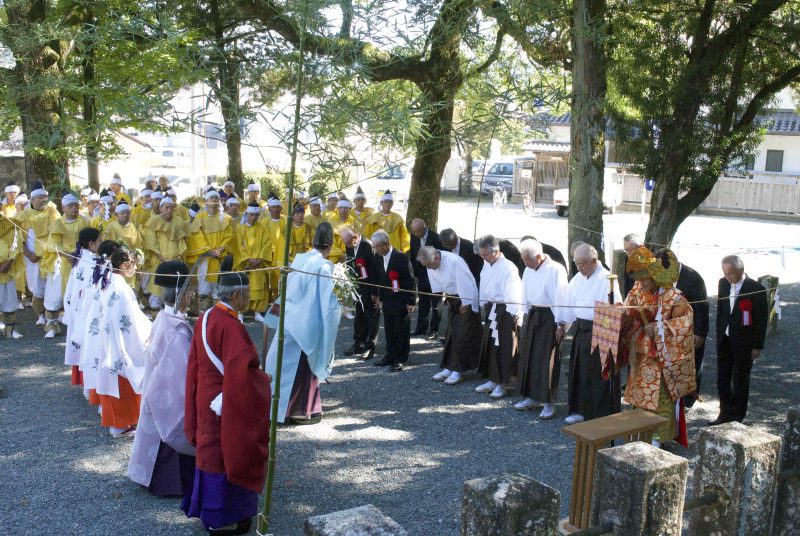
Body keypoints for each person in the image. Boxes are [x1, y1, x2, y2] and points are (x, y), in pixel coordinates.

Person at [183, 258, 271, 535]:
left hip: (206, 397)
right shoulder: (232, 327)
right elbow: (242, 372)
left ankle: (217, 513)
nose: (248, 297)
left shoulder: (207, 316)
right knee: (232, 454)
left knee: (212, 454)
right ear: (236, 295)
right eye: (246, 293)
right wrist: (263, 382)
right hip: (226, 403)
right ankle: (223, 518)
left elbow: (195, 362)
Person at [128, 261, 196, 497]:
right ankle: (171, 483)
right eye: (189, 291)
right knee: (173, 424)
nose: (192, 296)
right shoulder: (176, 330)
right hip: (166, 394)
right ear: (182, 295)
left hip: (155, 390)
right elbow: (178, 374)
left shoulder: (163, 319)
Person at [265, 222, 342, 424]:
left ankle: (292, 408)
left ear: (313, 241)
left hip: (291, 317)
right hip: (308, 320)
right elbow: (327, 302)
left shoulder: (300, 259)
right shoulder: (324, 267)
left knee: (287, 363)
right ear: (331, 245)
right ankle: (299, 410)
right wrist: (338, 310)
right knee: (305, 365)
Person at [622, 247, 696, 446]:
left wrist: (662, 328)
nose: (642, 283)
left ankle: (658, 437)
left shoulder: (675, 297)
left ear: (656, 275)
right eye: (640, 278)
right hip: (641, 354)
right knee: (640, 396)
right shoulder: (637, 289)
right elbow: (627, 309)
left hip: (663, 357)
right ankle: (637, 433)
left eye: (646, 278)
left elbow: (685, 324)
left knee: (660, 397)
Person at [92, 247, 152, 438]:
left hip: (110, 336)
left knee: (115, 377)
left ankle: (119, 423)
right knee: (127, 374)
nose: (135, 268)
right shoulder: (121, 287)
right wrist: (148, 329)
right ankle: (121, 424)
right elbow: (130, 318)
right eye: (134, 264)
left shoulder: (108, 281)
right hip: (120, 338)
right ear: (125, 265)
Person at [562, 243, 622, 424]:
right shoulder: (578, 279)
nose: (579, 268)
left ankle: (601, 414)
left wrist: (605, 334)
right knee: (580, 372)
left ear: (594, 261)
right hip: (582, 330)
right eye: (577, 264)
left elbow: (615, 309)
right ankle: (580, 410)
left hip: (601, 330)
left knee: (598, 374)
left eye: (582, 264)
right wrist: (562, 325)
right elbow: (568, 303)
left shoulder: (607, 279)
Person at [709, 254, 768, 425]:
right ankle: (724, 413)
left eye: (731, 274)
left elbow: (761, 320)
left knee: (740, 379)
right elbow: (721, 309)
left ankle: (737, 416)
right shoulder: (723, 283)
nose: (728, 277)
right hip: (725, 338)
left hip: (744, 341)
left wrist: (757, 346)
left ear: (741, 270)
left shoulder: (755, 288)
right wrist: (719, 333)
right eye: (725, 273)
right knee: (722, 378)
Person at [515, 239, 569, 419]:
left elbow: (561, 297)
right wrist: (522, 313)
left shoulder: (556, 269)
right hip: (534, 315)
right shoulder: (529, 269)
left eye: (527, 260)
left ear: (538, 256)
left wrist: (561, 324)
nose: (524, 263)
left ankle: (548, 402)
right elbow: (524, 292)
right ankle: (531, 396)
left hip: (550, 318)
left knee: (548, 359)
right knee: (530, 355)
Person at [418, 247, 481, 386]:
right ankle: (449, 366)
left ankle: (459, 369)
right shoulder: (431, 263)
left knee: (462, 335)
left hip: (464, 299)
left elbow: (468, 283)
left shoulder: (454, 261)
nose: (429, 269)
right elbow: (437, 282)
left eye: (429, 265)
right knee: (451, 334)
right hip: (452, 299)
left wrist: (466, 302)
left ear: (436, 258)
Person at [655, 249, 708, 408]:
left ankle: (689, 398)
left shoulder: (693, 278)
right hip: (670, 330)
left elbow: (702, 307)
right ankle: (672, 392)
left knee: (692, 363)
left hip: (690, 329)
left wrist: (700, 332)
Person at [474, 235, 523, 399]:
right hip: (492, 307)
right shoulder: (486, 264)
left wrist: (512, 314)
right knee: (491, 345)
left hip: (506, 309)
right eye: (481, 255)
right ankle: (493, 379)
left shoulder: (508, 267)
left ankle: (504, 382)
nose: (483, 258)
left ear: (496, 251)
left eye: (486, 255)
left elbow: (514, 294)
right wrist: (484, 304)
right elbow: (483, 284)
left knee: (505, 346)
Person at [371, 229, 417, 371]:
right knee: (389, 329)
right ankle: (390, 355)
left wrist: (411, 301)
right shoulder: (378, 257)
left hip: (401, 299)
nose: (375, 249)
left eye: (376, 246)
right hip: (388, 299)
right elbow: (381, 280)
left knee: (401, 329)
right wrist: (380, 298)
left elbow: (410, 280)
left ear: (386, 244)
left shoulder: (401, 257)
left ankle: (401, 358)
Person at [18, 184, 61, 334]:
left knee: (52, 285)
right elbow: (19, 239)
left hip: (51, 256)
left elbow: (58, 231)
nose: (43, 199)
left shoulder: (52, 210)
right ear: (33, 199)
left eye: (45, 196)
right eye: (40, 197)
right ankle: (40, 315)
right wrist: (29, 254)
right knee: (37, 287)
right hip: (33, 257)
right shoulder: (24, 215)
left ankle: (52, 315)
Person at [63, 227, 102, 383]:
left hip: (78, 307)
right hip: (86, 308)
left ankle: (87, 384)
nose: (102, 243)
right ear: (91, 244)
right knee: (90, 345)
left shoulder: (81, 259)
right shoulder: (92, 262)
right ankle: (90, 385)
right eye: (100, 240)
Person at [188, 188, 234, 312]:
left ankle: (216, 314)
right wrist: (208, 250)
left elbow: (229, 236)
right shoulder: (200, 217)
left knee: (218, 287)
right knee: (203, 287)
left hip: (220, 257)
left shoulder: (226, 218)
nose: (214, 200)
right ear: (206, 201)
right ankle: (203, 314)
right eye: (211, 198)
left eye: (216, 198)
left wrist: (220, 249)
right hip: (205, 258)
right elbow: (196, 236)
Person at [143, 196, 188, 313]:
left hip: (175, 261)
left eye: (171, 207)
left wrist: (178, 256)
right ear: (161, 208)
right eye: (166, 207)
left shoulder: (178, 221)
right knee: (157, 292)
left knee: (174, 288)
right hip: (159, 260)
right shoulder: (153, 220)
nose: (169, 210)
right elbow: (151, 243)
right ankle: (155, 315)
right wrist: (163, 259)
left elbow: (182, 240)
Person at [340, 226, 380, 359]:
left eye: (347, 242)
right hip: (358, 286)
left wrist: (375, 291)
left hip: (370, 286)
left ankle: (370, 347)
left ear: (355, 237)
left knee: (371, 316)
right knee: (359, 315)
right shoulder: (350, 245)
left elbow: (375, 270)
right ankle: (358, 343)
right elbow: (351, 264)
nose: (346, 245)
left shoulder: (368, 246)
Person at [233, 202, 271, 321]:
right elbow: (238, 246)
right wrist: (248, 259)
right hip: (245, 264)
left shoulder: (262, 228)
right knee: (242, 287)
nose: (254, 217)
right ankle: (240, 312)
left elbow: (267, 244)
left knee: (259, 288)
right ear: (247, 214)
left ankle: (257, 312)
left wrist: (260, 259)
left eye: (256, 215)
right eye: (251, 215)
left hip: (258, 264)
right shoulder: (240, 228)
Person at [409, 218, 443, 337]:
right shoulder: (413, 237)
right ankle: (421, 328)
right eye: (413, 232)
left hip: (436, 274)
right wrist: (415, 275)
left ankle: (434, 330)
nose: (415, 234)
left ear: (424, 228)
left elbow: (442, 256)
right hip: (422, 275)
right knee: (423, 302)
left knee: (436, 304)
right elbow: (413, 256)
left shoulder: (436, 238)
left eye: (417, 232)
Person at [104, 202, 144, 290]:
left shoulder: (133, 227)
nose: (125, 215)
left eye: (127, 213)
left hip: (131, 262)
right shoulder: (112, 226)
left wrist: (139, 264)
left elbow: (138, 246)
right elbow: (110, 245)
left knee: (131, 288)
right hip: (117, 263)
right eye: (123, 213)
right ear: (117, 215)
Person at [0, 211, 23, 339]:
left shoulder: (11, 224)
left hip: (7, 268)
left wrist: (9, 261)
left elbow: (17, 244)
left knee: (9, 300)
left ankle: (10, 330)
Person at [261, 195, 287, 302]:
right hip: (267, 255)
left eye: (278, 207)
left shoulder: (285, 220)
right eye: (273, 207)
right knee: (266, 280)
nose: (276, 209)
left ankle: (278, 304)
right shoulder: (263, 222)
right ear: (269, 209)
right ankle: (266, 303)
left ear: (281, 209)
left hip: (281, 255)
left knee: (279, 281)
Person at [326, 198, 357, 262]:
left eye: (345, 208)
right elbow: (329, 240)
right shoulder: (331, 220)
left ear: (350, 209)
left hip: (350, 253)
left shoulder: (353, 221)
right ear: (338, 208)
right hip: (334, 254)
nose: (343, 210)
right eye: (341, 208)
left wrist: (347, 254)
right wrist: (340, 254)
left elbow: (356, 239)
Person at [621, 233, 643, 298]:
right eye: (626, 251)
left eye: (630, 250)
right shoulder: (627, 259)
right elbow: (627, 284)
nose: (628, 254)